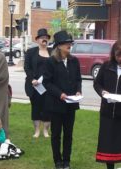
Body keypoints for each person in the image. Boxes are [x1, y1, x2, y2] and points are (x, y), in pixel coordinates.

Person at [43, 30, 82, 169]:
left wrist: (78, 91)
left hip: (71, 104)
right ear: (59, 45)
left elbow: (78, 79)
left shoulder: (74, 61)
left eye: (70, 43)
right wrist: (60, 94)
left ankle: (66, 161)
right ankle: (57, 161)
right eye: (66, 43)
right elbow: (47, 83)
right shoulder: (51, 62)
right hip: (56, 104)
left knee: (68, 134)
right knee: (56, 134)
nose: (69, 45)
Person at [94, 40, 121, 169]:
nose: (120, 58)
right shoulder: (106, 66)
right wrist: (103, 92)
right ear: (113, 54)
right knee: (108, 145)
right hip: (107, 112)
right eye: (118, 55)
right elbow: (97, 84)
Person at [24, 28, 52, 138]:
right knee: (36, 108)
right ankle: (37, 131)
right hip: (35, 85)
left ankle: (45, 131)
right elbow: (27, 67)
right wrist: (32, 79)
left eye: (46, 38)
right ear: (37, 40)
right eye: (42, 38)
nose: (44, 39)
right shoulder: (31, 52)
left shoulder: (52, 52)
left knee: (47, 109)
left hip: (48, 86)